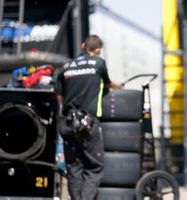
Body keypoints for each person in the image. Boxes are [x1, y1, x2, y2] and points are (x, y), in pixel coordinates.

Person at [55, 35, 122, 200]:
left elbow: (58, 96)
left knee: (74, 168)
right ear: (97, 50)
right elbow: (106, 83)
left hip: (68, 124)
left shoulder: (65, 68)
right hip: (88, 123)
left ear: (82, 46)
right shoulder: (98, 63)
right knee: (94, 167)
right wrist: (118, 86)